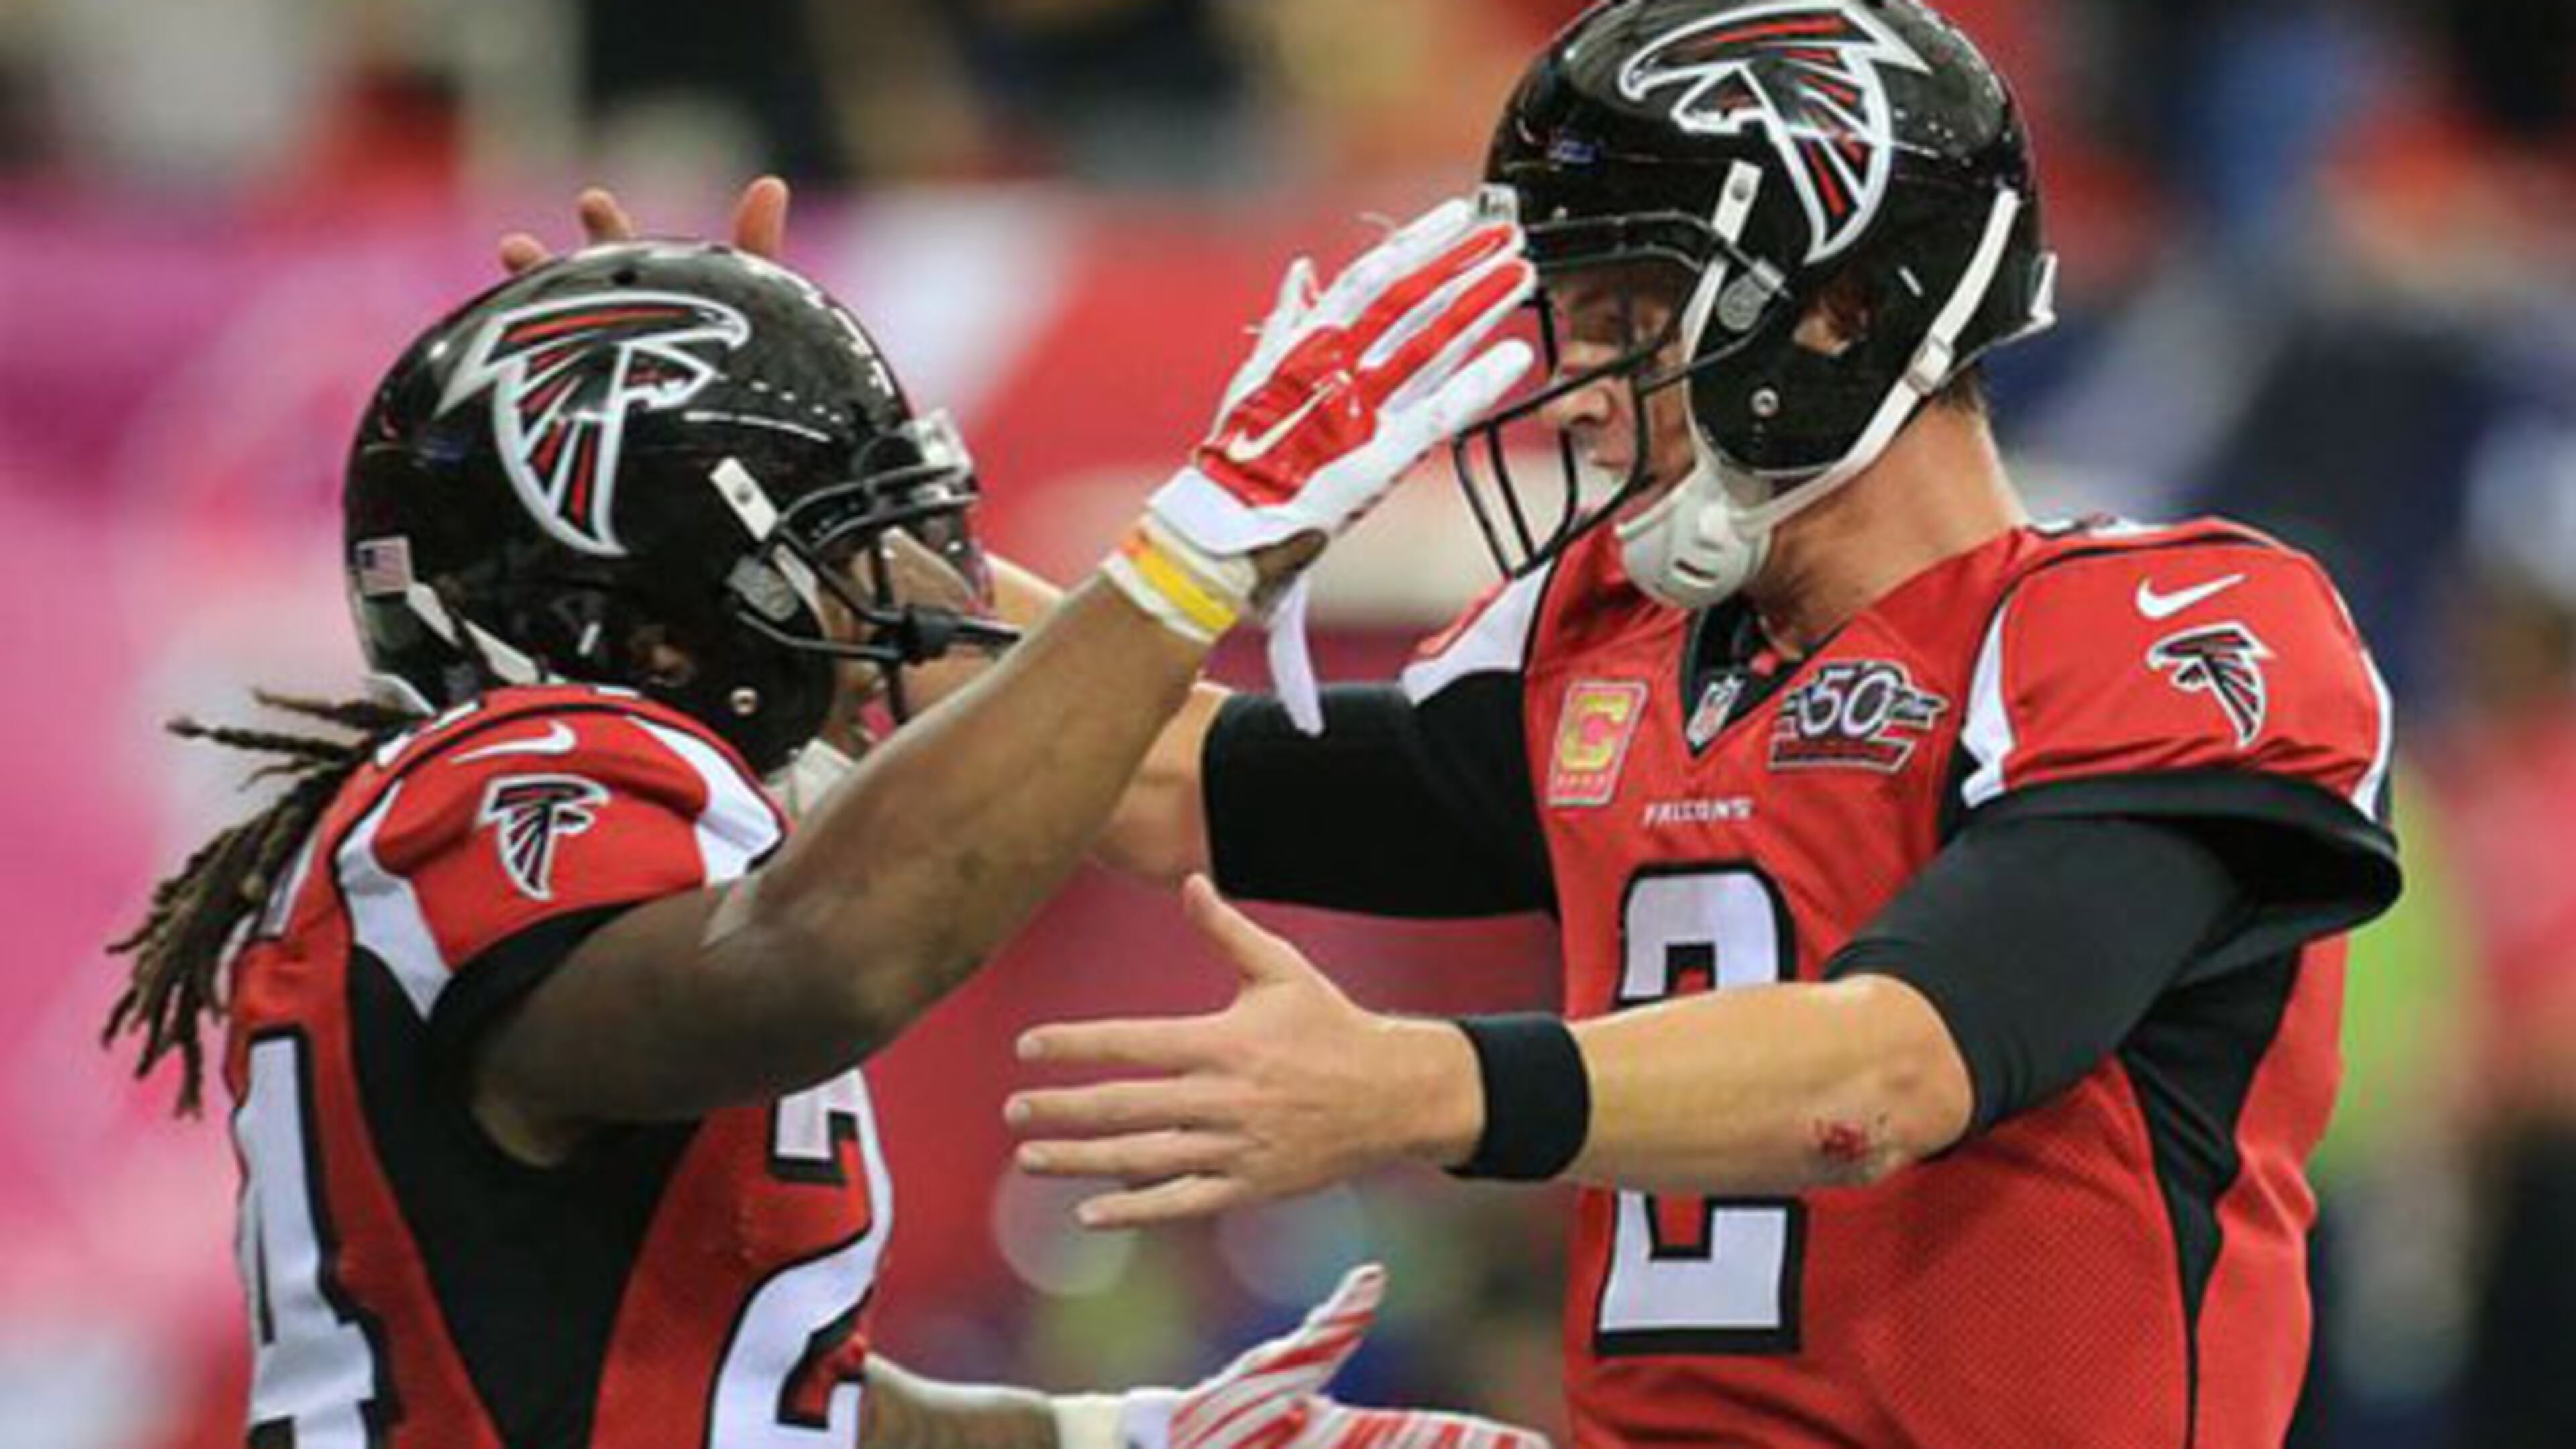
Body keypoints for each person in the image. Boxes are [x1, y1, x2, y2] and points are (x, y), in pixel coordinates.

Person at [998, 3, 2405, 1446]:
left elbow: (1888, 1071)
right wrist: (838, 556)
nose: (1577, 387)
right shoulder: (1621, 647)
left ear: (1843, 308)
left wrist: (1425, 1086)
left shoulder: (2163, 631)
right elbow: (1158, 778)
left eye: (1633, 315)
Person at [102, 180, 1552, 1448]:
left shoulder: (614, 816)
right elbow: (827, 959)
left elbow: (760, 1396)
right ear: (658, 632)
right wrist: (1188, 564)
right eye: (850, 547)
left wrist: (1113, 1431)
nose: (916, 597)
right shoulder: (503, 779)